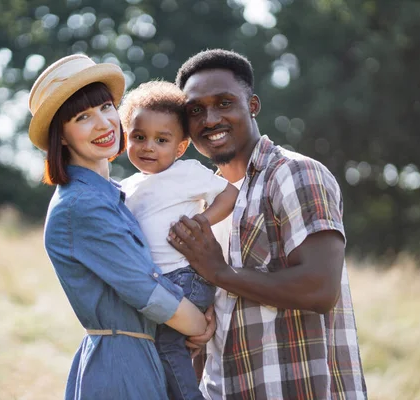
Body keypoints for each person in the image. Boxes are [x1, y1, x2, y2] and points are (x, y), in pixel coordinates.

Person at [168, 49, 368, 399]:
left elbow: (319, 290)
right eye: (195, 110)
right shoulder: (203, 205)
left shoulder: (293, 173)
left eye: (224, 103)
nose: (210, 119)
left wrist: (219, 272)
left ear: (254, 106)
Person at [27, 54, 207, 400]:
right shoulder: (81, 205)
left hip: (146, 355)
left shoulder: (115, 195)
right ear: (61, 137)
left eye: (106, 108)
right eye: (83, 117)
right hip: (120, 368)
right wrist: (200, 325)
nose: (103, 124)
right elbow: (144, 289)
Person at [118, 80, 239, 400]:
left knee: (167, 345)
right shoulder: (127, 187)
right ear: (126, 137)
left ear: (180, 147)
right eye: (139, 137)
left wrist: (203, 220)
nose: (148, 147)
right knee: (156, 349)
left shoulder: (187, 172)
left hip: (186, 278)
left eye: (161, 140)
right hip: (157, 282)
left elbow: (230, 193)